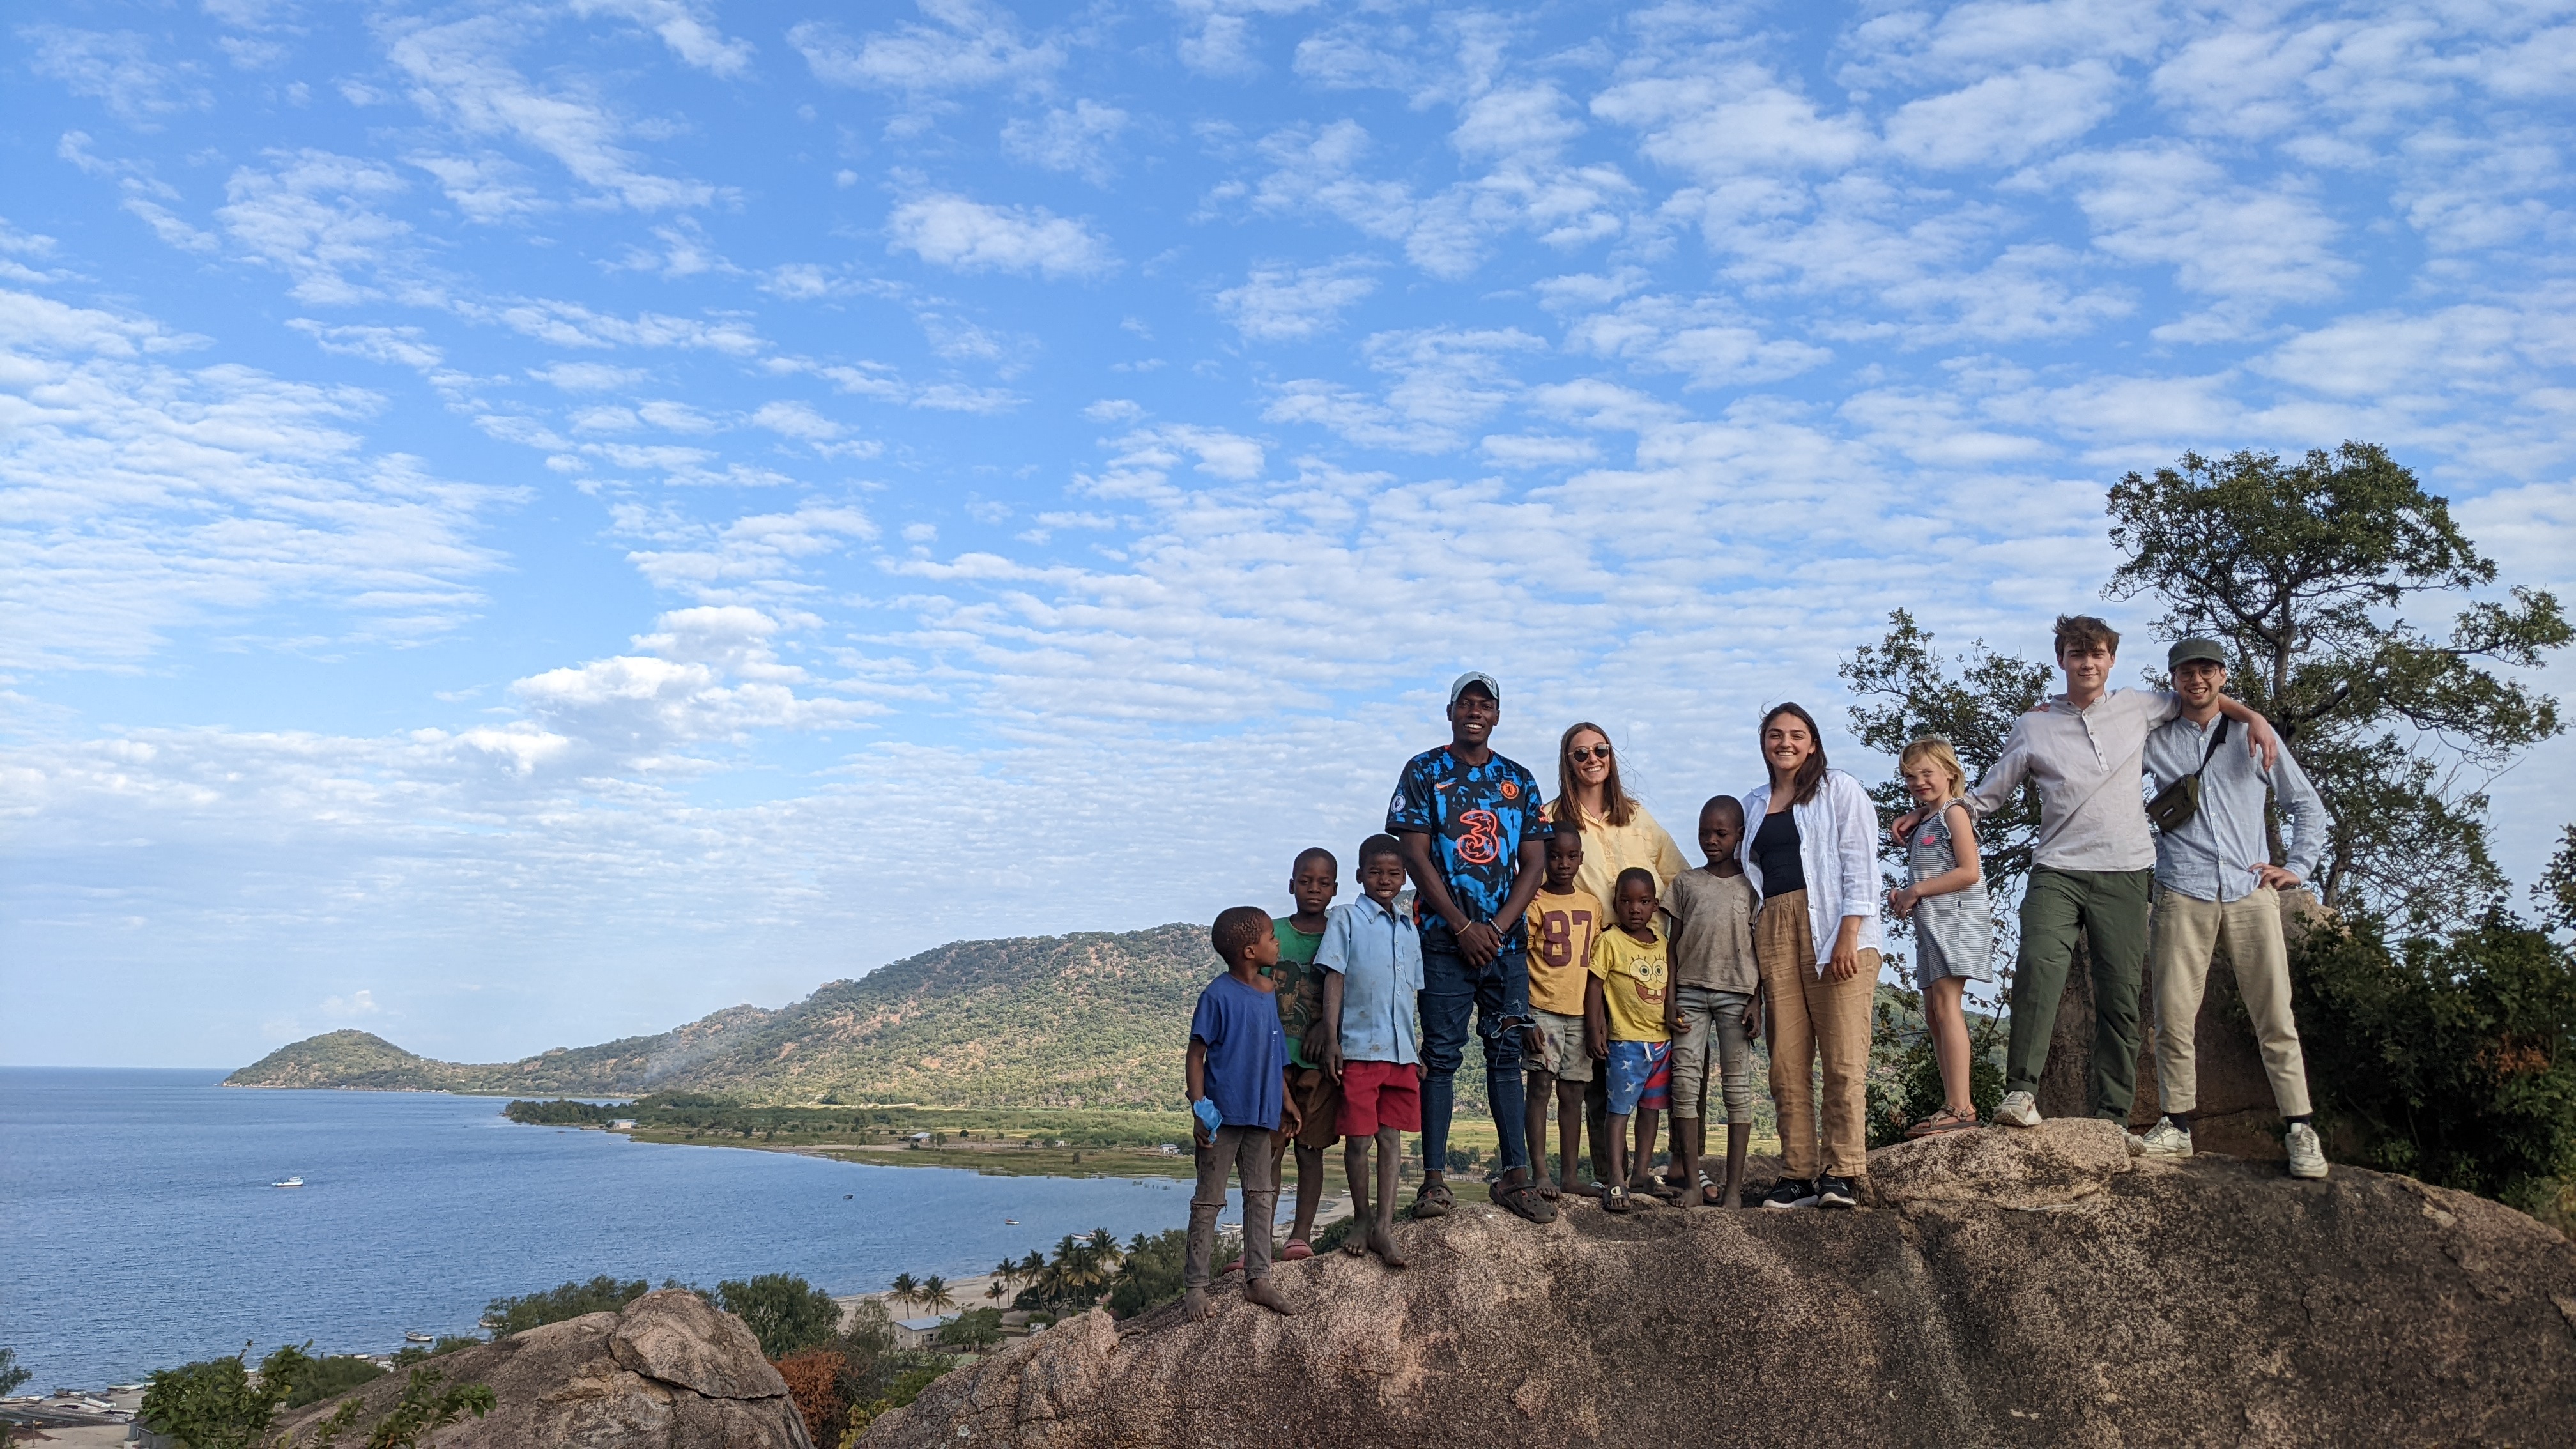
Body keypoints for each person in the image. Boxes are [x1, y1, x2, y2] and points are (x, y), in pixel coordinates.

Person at [1915, 616, 2278, 1139]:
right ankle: (2021, 1094)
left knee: (2120, 996)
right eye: (2077, 654)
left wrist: (2255, 718)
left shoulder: (2140, 705)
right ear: (2061, 659)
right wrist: (1930, 812)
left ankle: (2112, 1117)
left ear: (2111, 660)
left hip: (2126, 871)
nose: (2088, 663)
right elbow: (1985, 797)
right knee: (2038, 970)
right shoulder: (2034, 725)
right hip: (2056, 871)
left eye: (2098, 654)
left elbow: (2203, 701)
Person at [2135, 638, 2332, 1180]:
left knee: (2275, 1015)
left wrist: (2297, 866)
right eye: (2185, 672)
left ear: (2222, 675)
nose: (2196, 680)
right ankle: (2177, 1124)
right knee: (2173, 1016)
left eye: (2206, 671)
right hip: (2183, 889)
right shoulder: (2154, 737)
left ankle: (2299, 1127)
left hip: (2249, 891)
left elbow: (2306, 806)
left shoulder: (2252, 735)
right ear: (2172, 679)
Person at [1388, 672, 1555, 1224]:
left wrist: (1498, 929)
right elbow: (1415, 856)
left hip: (1506, 948)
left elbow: (1534, 862)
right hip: (1441, 940)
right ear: (1450, 711)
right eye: (1467, 703)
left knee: (1507, 1057)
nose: (1475, 712)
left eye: (1485, 704)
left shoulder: (1519, 780)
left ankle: (1513, 1176)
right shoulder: (1423, 772)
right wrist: (1463, 926)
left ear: (1498, 716)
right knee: (1440, 1058)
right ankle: (1434, 1182)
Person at [1744, 703, 1881, 1212]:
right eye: (1775, 735)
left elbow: (1859, 861)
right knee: (1787, 1062)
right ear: (1764, 744)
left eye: (1797, 735)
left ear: (1813, 743)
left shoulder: (1838, 789)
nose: (1786, 743)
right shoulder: (1755, 803)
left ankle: (1841, 1170)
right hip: (1776, 928)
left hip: (1835, 926)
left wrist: (1849, 933)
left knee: (1844, 1059)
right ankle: (1798, 1171)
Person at [1548, 721, 1690, 1195]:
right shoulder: (1552, 819)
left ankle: (1654, 1170)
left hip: (1649, 960)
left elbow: (1679, 877)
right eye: (1580, 753)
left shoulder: (1635, 817)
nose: (1592, 759)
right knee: (1599, 1066)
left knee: (1662, 1075)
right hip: (1590, 959)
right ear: (1567, 762)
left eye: (1601, 750)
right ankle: (1612, 1175)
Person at [1184, 907, 1301, 1321]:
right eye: (1271, 937)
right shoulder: (1216, 996)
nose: (1277, 942)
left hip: (1261, 1113)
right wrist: (1200, 1108)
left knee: (1261, 1195)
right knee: (1209, 1202)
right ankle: (1196, 1287)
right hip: (1223, 1116)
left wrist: (1286, 1101)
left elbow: (1273, 1056)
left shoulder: (1269, 993)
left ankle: (1259, 1278)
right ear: (1251, 950)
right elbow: (1196, 1055)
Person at [1317, 834, 1426, 1268]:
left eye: (1394, 873)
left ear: (1404, 878)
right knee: (1359, 1140)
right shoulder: (1345, 919)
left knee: (1391, 1139)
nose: (1385, 879)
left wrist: (1419, 1047)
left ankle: (1385, 1225)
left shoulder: (1408, 927)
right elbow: (1334, 979)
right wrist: (1331, 1037)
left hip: (1400, 1051)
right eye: (1376, 872)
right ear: (1360, 875)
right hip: (1360, 1048)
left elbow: (1412, 995)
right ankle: (1361, 1218)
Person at [1660, 795, 1762, 1206]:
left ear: (1740, 835)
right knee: (1684, 1085)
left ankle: (1735, 1188)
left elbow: (1763, 947)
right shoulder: (1687, 883)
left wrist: (1759, 1000)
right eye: (1705, 832)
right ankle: (1691, 1182)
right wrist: (1669, 999)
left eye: (1721, 833)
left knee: (1737, 1088)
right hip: (1689, 992)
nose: (1711, 840)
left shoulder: (1752, 887)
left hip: (1738, 995)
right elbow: (1672, 944)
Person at [1889, 737, 1993, 1138]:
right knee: (1933, 1011)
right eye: (1910, 777)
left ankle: (1961, 1106)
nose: (1919, 782)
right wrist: (1906, 892)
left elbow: (1969, 871)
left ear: (1950, 772)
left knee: (1947, 1007)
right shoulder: (1929, 818)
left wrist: (1916, 891)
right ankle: (1953, 1101)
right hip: (1931, 926)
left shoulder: (1956, 813)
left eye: (1927, 773)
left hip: (1957, 923)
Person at [1521, 823, 1605, 1201]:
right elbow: (1519, 964)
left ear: (1581, 859)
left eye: (1572, 857)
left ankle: (1569, 1175)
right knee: (1540, 1087)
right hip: (1543, 1010)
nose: (1563, 864)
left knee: (1574, 1093)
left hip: (1580, 1014)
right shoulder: (1533, 903)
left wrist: (1596, 1020)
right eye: (1554, 856)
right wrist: (1523, 1016)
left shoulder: (1591, 905)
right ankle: (1541, 1172)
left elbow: (1597, 972)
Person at [1267, 848, 1343, 1259]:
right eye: (1305, 880)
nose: (1314, 888)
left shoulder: (1341, 934)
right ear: (1291, 883)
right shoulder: (1272, 934)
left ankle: (1300, 1236)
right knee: (1270, 1151)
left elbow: (1354, 989)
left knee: (1311, 1150)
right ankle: (1259, 1239)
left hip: (1321, 1067)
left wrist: (1324, 1026)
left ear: (1335, 888)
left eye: (1323, 882)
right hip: (1274, 1066)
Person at [1586, 866, 1671, 1213]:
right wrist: (1595, 1028)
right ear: (1616, 903)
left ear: (1654, 906)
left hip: (1662, 1043)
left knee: (1651, 1111)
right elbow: (1594, 986)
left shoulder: (1663, 943)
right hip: (1626, 1043)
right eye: (1626, 901)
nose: (1635, 908)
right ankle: (1616, 1177)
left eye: (1644, 901)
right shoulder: (1609, 941)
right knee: (1618, 1112)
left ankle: (1640, 1173)